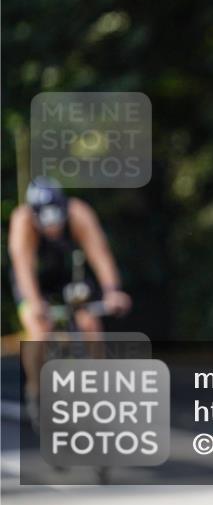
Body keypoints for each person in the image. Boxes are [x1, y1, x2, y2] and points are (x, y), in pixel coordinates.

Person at [8, 177, 131, 419]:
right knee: (39, 331)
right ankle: (36, 390)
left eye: (57, 220)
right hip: (35, 281)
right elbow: (23, 267)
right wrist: (34, 304)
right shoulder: (22, 221)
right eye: (46, 223)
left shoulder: (79, 213)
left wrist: (112, 290)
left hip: (68, 276)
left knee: (89, 323)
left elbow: (99, 254)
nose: (52, 228)